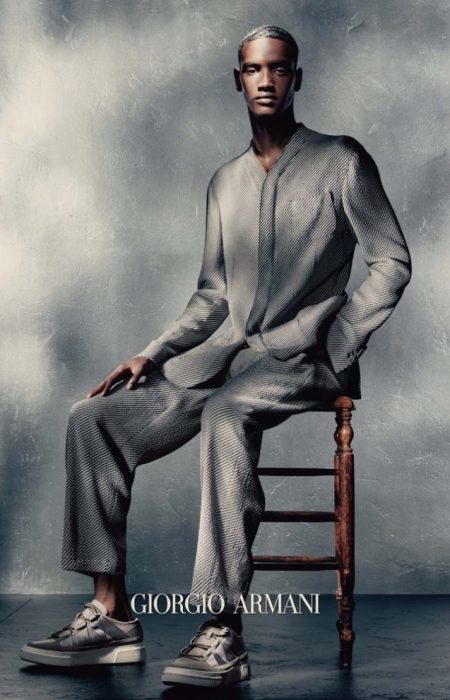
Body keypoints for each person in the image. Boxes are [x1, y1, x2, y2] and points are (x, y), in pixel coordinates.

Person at [20, 24, 411, 688]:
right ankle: (111, 613)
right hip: (230, 354)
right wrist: (152, 353)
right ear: (238, 79)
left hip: (305, 357)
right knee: (92, 421)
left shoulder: (341, 160)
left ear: (296, 78)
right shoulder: (225, 182)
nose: (266, 80)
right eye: (254, 70)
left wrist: (339, 340)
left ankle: (222, 629)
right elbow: (212, 295)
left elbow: (392, 261)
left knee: (226, 417)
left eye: (279, 69)